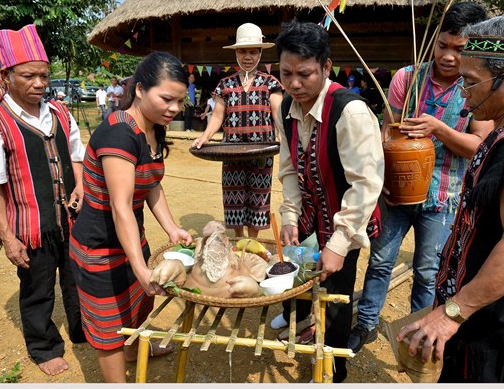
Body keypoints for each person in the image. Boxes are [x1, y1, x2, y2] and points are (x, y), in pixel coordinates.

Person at [397, 14, 504, 383]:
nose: (463, 92)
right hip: (483, 318)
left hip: (491, 329)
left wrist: (452, 312)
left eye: (471, 82)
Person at [350, 1, 489, 353]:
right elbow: (387, 130)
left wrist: (438, 129)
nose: (448, 56)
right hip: (395, 193)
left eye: (460, 49)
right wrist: (382, 178)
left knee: (428, 272)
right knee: (380, 261)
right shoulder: (407, 78)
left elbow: (479, 146)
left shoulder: (476, 87)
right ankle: (366, 323)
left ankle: (418, 335)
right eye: (442, 45)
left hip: (443, 196)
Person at [69, 51, 194, 383]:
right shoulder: (119, 133)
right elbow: (121, 205)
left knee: (137, 306)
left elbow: (153, 186)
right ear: (139, 90)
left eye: (180, 102)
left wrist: (172, 228)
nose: (174, 108)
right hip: (98, 247)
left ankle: (135, 349)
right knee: (109, 325)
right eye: (166, 98)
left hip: (129, 239)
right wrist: (140, 266)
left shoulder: (152, 127)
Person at [271, 21, 384, 383]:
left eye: (304, 74)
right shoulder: (285, 106)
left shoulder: (350, 111)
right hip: (307, 217)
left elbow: (365, 185)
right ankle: (298, 320)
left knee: (336, 300)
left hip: (346, 218)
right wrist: (289, 215)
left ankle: (334, 370)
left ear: (326, 67)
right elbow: (289, 169)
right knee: (300, 275)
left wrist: (338, 243)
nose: (294, 83)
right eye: (286, 73)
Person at [0, 24, 87, 376]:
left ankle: (84, 331)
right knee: (38, 289)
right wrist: (8, 236)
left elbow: (77, 155)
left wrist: (80, 186)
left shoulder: (61, 113)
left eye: (43, 75)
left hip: (71, 218)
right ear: (6, 75)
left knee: (78, 279)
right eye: (28, 76)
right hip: (31, 227)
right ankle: (43, 348)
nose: (39, 83)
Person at [192, 23, 283, 238]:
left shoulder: (270, 83)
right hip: (231, 149)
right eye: (243, 51)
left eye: (253, 51)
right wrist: (205, 136)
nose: (248, 56)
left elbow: (277, 112)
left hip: (262, 150)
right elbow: (217, 116)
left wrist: (281, 133)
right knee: (233, 197)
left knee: (258, 198)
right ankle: (238, 239)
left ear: (260, 53)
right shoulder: (225, 84)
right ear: (236, 52)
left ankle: (251, 243)